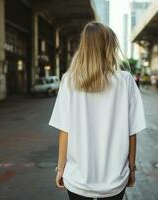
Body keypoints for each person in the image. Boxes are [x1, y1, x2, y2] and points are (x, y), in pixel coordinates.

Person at [48, 21, 146, 200]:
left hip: (78, 179)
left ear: (84, 46)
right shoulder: (125, 81)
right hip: (115, 179)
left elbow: (65, 131)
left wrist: (61, 169)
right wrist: (132, 169)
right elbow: (132, 133)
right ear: (110, 46)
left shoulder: (69, 80)